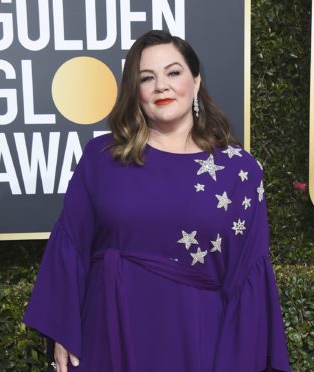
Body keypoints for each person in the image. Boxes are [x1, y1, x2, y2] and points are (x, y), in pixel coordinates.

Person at [23, 30, 290, 372]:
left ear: (195, 82)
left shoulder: (239, 170)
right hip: (107, 336)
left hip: (197, 341)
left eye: (173, 72)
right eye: (147, 78)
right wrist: (62, 332)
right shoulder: (102, 158)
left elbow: (245, 275)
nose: (161, 86)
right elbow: (71, 246)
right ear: (135, 92)